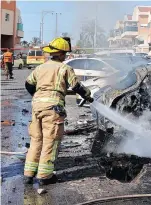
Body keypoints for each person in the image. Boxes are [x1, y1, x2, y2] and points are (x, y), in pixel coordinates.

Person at [23, 37, 93, 186]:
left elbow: (28, 84)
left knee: (36, 140)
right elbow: (76, 87)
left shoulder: (40, 68)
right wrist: (87, 95)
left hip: (37, 107)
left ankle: (28, 174)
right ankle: (45, 176)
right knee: (51, 140)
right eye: (65, 54)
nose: (66, 56)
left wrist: (38, 97)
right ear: (60, 54)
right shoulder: (64, 68)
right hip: (53, 109)